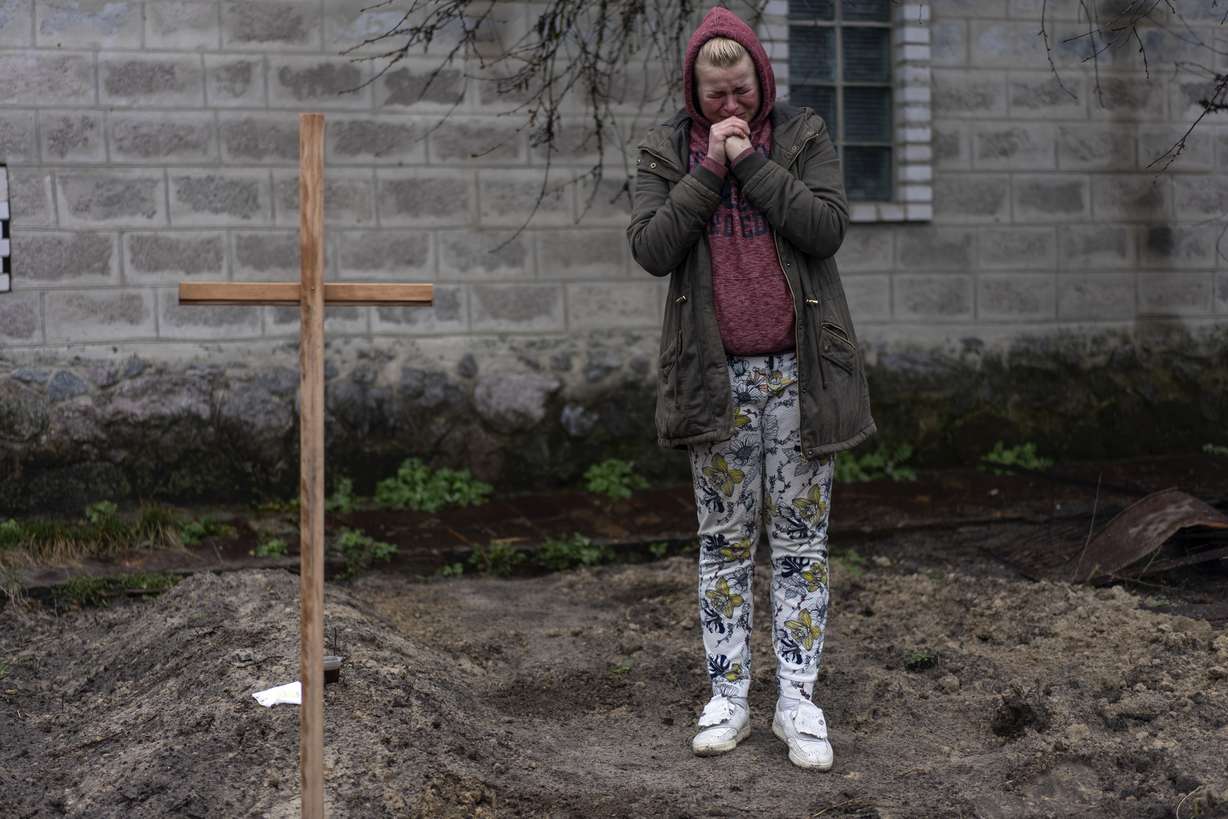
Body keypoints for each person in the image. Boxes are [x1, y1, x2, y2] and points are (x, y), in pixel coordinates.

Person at [627, 7, 877, 771]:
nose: (730, 106)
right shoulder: (666, 149)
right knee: (724, 545)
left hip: (803, 374)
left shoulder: (803, 137)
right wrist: (709, 169)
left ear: (762, 80)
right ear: (694, 93)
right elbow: (652, 247)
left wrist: (750, 165)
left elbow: (825, 228)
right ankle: (728, 696)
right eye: (715, 97)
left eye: (741, 91)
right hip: (715, 380)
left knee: (801, 544)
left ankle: (797, 698)